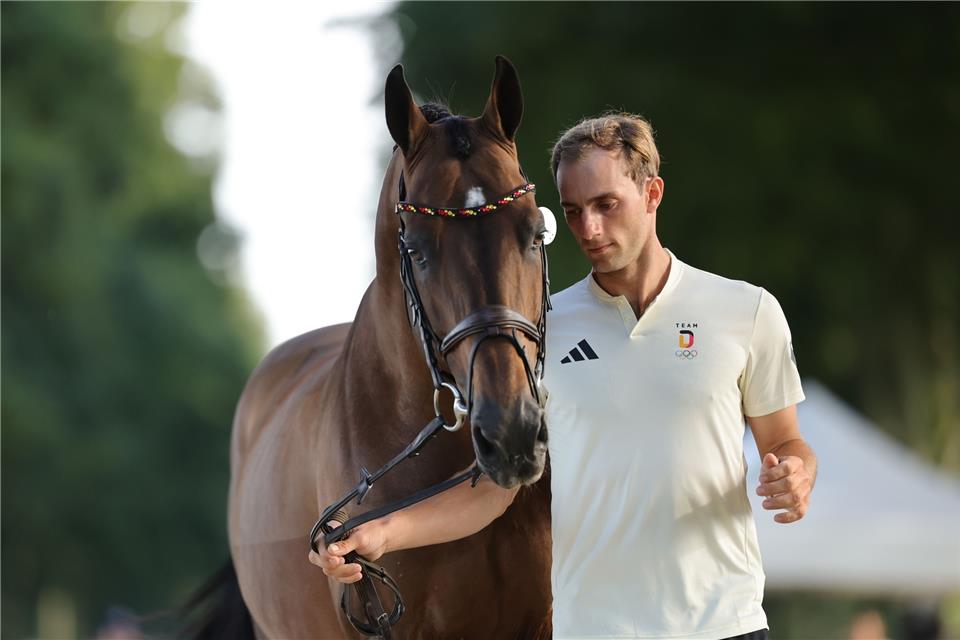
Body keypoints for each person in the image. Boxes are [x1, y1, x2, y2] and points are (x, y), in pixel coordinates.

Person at [310, 112, 817, 640]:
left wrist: (797, 475)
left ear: (653, 193)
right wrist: (382, 532)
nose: (589, 229)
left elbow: (786, 441)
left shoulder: (747, 312)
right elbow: (496, 490)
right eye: (573, 212)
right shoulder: (542, 332)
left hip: (726, 625)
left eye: (606, 205)